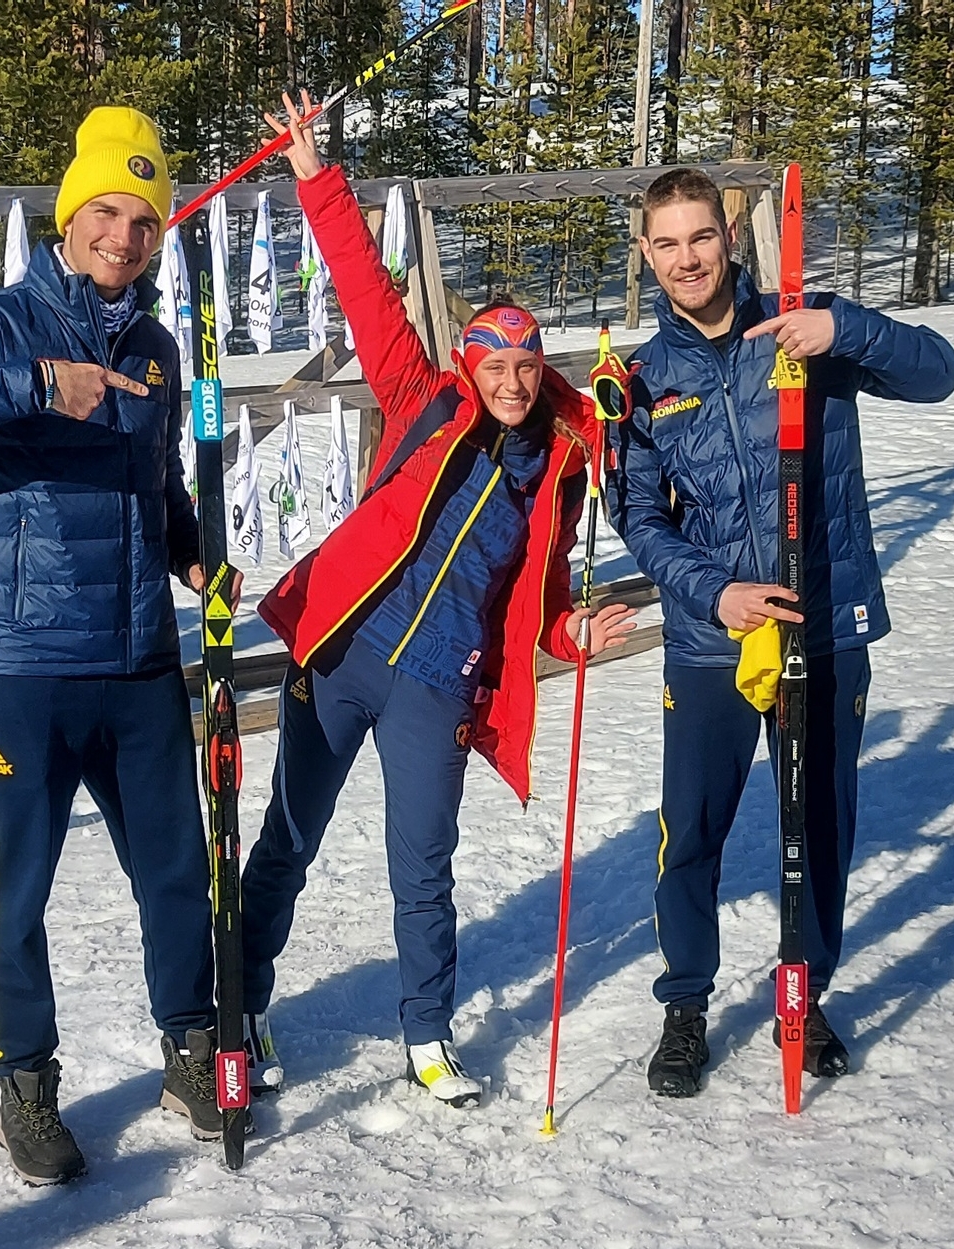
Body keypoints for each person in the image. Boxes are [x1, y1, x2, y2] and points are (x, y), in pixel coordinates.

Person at [240, 94, 637, 1109]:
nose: (511, 382)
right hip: (342, 650)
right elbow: (367, 293)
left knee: (423, 868)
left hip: (435, 684)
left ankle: (426, 1033)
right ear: (470, 363)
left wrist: (571, 632)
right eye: (495, 365)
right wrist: (316, 175)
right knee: (289, 838)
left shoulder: (553, 472)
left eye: (525, 367)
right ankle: (239, 1003)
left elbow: (540, 602)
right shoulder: (422, 401)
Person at [0, 106, 232, 1186]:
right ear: (68, 216)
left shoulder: (157, 348)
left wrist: (191, 554)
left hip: (140, 660)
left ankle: (191, 1045)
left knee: (175, 871)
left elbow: (156, 485)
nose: (125, 236)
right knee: (16, 889)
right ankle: (24, 1082)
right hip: (25, 664)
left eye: (145, 221)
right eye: (106, 212)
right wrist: (33, 384)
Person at [608, 166, 954, 1099]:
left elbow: (939, 373)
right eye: (667, 243)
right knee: (692, 829)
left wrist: (846, 331)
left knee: (820, 822)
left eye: (701, 237)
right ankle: (686, 1005)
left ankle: (806, 990)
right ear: (646, 254)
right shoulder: (645, 380)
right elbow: (635, 513)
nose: (687, 258)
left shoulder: (809, 327)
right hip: (714, 639)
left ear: (730, 238)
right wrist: (714, 591)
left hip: (825, 618)